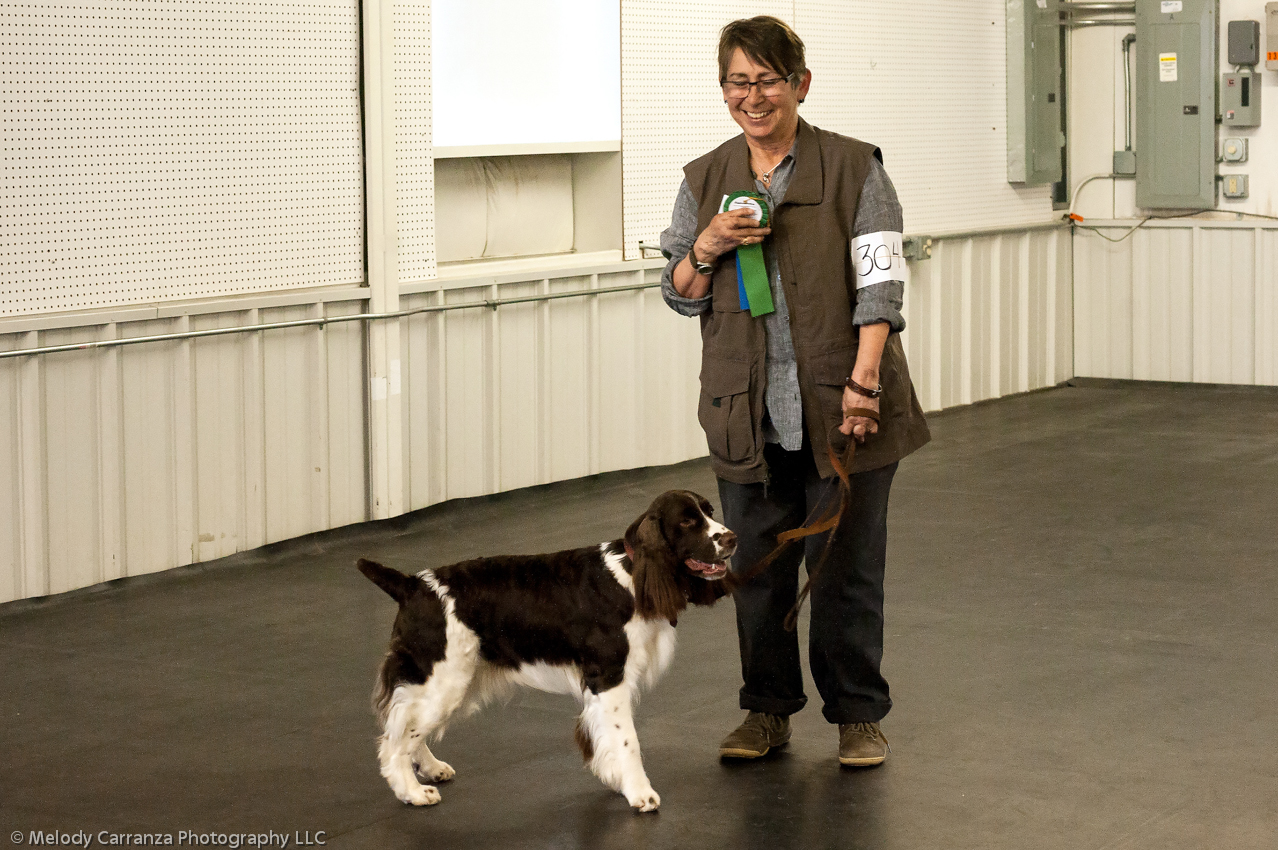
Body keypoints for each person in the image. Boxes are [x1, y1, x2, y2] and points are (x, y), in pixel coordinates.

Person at [659, 16, 930, 767]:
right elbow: (679, 292)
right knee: (754, 575)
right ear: (724, 91)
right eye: (738, 82)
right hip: (745, 414)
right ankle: (766, 712)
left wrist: (864, 382)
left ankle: (857, 717)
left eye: (768, 80)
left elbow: (881, 285)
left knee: (844, 573)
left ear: (800, 84)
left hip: (844, 409)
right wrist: (707, 247)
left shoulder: (853, 168)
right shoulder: (703, 180)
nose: (753, 96)